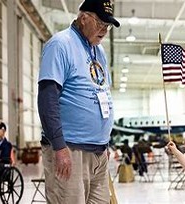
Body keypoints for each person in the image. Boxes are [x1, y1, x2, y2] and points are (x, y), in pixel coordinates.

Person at [37, 0, 120, 203]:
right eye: (100, 23)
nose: (104, 30)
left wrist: (104, 144)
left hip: (98, 153)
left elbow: (101, 93)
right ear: (84, 18)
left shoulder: (98, 51)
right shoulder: (60, 44)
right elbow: (47, 99)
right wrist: (59, 147)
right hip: (70, 151)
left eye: (107, 26)